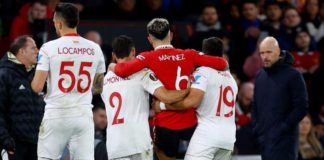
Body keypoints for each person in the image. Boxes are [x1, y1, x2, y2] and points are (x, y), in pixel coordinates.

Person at [110, 18, 228, 160]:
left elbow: (121, 70)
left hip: (165, 125)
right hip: (190, 123)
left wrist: (111, 66)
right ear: (171, 35)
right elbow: (222, 63)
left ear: (149, 39)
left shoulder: (147, 57)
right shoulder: (189, 54)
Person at [31, 3, 106, 160]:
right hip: (83, 116)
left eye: (53, 21)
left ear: (59, 23)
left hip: (56, 115)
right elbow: (99, 87)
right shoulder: (95, 48)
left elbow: (37, 86)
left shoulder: (48, 48)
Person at [102, 35, 189, 160]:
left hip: (115, 146)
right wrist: (186, 91)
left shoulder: (105, 80)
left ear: (113, 55)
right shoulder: (142, 73)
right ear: (133, 52)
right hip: (138, 143)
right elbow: (167, 97)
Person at [154, 37, 238, 160]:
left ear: (203, 54)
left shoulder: (202, 72)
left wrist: (162, 105)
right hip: (229, 138)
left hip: (208, 136)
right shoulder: (231, 79)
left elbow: (191, 102)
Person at [252, 37, 308, 160]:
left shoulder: (293, 75)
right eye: (262, 53)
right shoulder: (260, 76)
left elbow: (301, 107)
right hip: (265, 141)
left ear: (278, 51)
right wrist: (257, 128)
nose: (265, 56)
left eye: (268, 52)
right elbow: (255, 104)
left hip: (285, 142)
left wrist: (283, 127)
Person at [0, 35, 45, 160]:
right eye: (33, 48)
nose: (38, 51)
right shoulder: (4, 73)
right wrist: (5, 140)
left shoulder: (36, 74)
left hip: (36, 144)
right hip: (13, 146)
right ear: (21, 51)